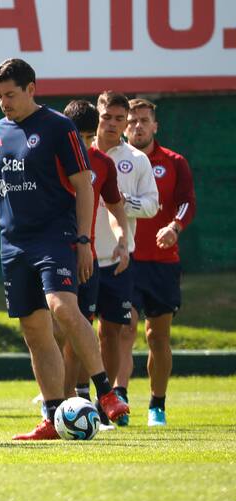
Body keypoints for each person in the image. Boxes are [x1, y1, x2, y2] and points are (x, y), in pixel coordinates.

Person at [0, 58, 129, 440]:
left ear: (31, 88)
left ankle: (105, 392)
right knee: (34, 330)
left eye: (10, 94)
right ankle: (54, 415)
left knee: (62, 307)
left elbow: (84, 185)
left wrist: (84, 240)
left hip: (54, 237)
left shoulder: (59, 127)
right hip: (13, 244)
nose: (3, 102)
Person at [119, 97, 196, 427]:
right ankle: (118, 399)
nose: (137, 126)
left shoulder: (174, 162)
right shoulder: (115, 159)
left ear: (155, 126)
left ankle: (157, 404)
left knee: (157, 336)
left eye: (143, 120)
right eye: (132, 120)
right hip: (126, 257)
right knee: (124, 327)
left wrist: (174, 227)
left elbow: (187, 202)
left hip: (162, 262)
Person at [58, 100, 130, 429]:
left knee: (81, 331)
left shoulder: (102, 162)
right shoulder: (50, 157)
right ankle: (59, 405)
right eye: (78, 135)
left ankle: (80, 404)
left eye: (90, 136)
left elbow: (115, 204)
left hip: (86, 259)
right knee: (57, 334)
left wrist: (121, 238)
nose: (85, 144)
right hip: (52, 254)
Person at [93, 91, 159, 426]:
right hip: (80, 255)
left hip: (118, 258)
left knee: (113, 330)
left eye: (121, 119)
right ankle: (75, 396)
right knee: (75, 330)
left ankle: (106, 400)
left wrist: (118, 201)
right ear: (97, 114)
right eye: (108, 117)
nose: (114, 125)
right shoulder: (79, 152)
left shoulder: (136, 159)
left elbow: (151, 205)